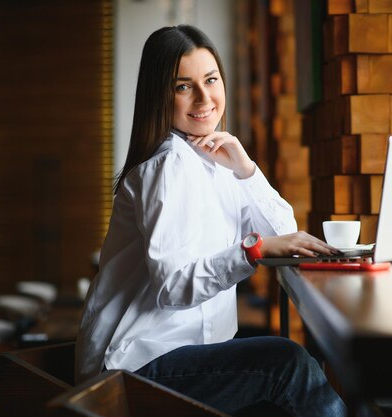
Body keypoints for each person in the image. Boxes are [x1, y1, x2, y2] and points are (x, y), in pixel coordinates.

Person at [74, 25, 346, 417]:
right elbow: (172, 287)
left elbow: (285, 235)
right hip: (133, 368)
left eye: (211, 80)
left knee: (283, 386)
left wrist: (246, 169)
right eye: (184, 86)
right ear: (159, 95)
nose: (204, 98)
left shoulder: (213, 161)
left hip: (187, 357)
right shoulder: (168, 165)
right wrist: (254, 251)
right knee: (286, 365)